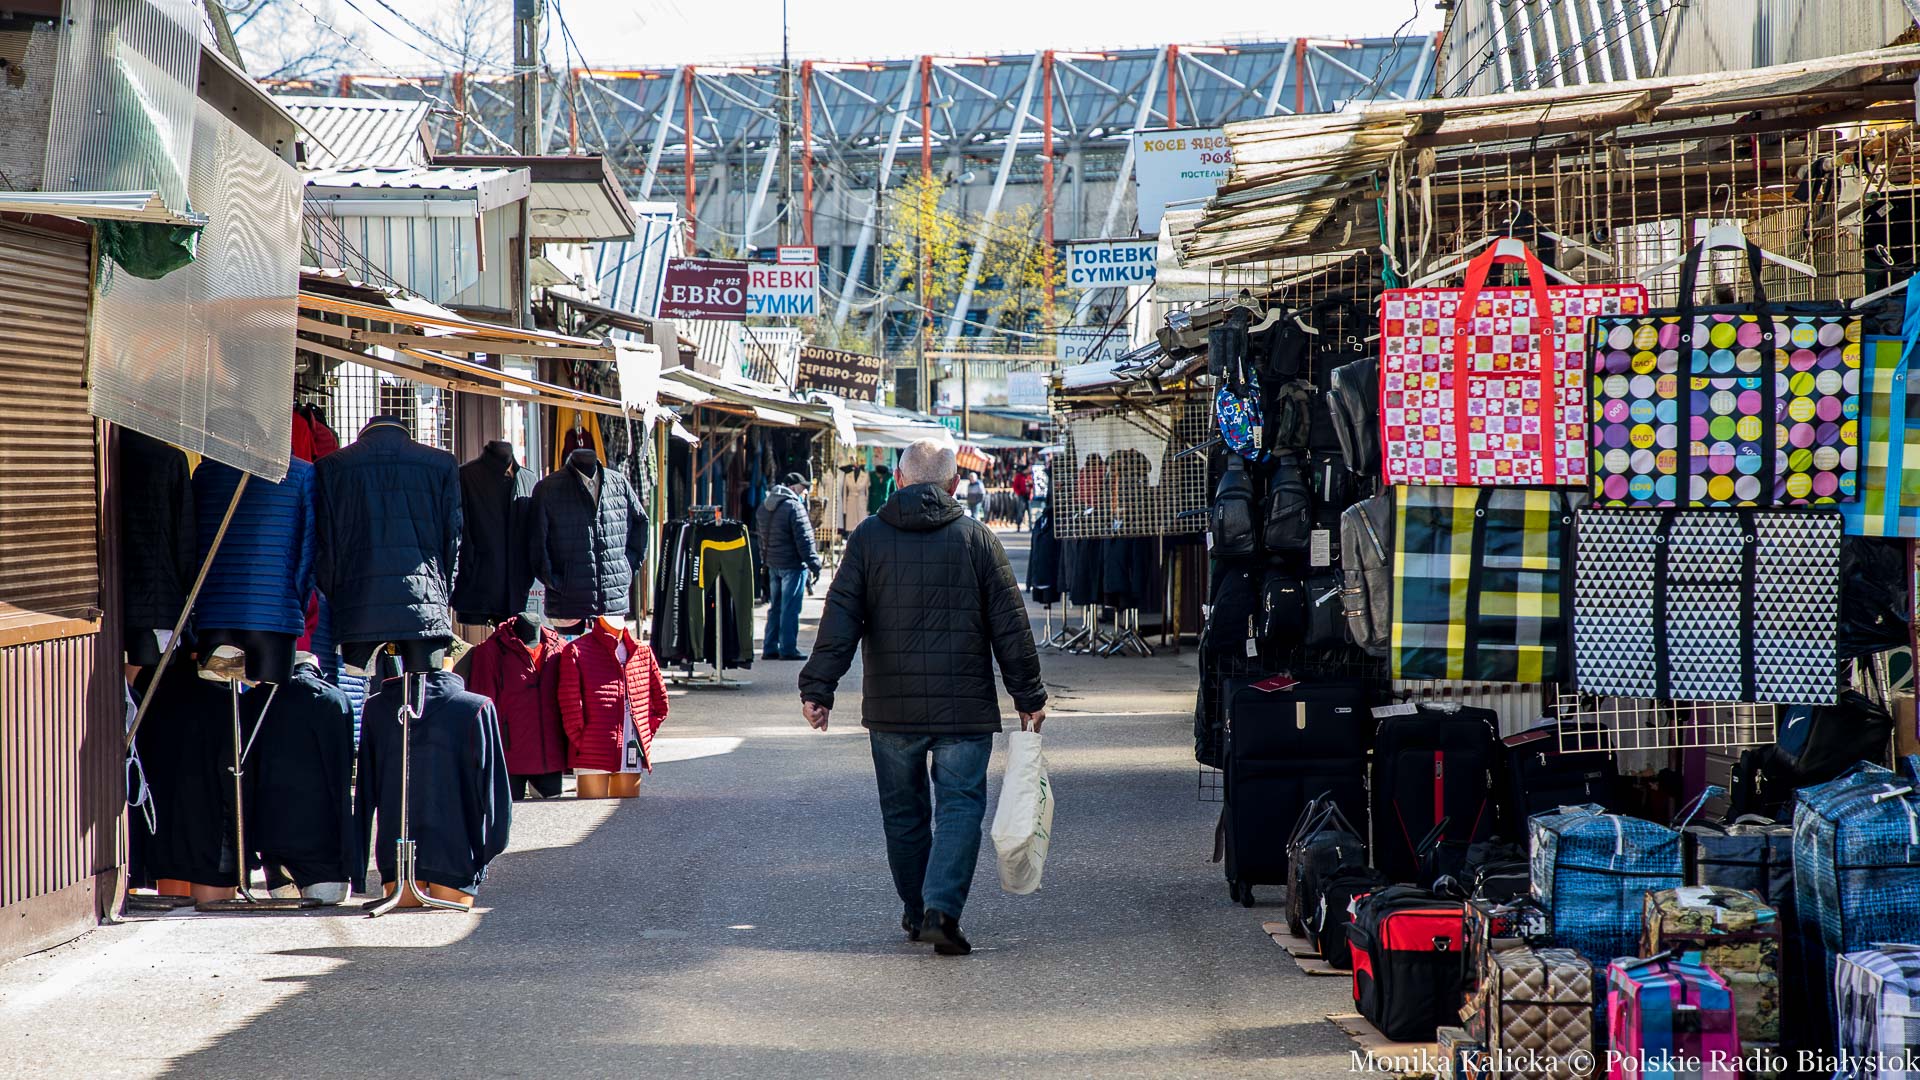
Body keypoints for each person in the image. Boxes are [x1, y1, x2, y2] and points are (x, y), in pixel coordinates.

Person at [799, 439, 1047, 956]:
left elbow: (840, 617)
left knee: (903, 815)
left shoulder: (868, 538)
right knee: (960, 807)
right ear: (955, 484)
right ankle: (941, 911)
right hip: (965, 710)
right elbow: (1010, 624)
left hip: (892, 710)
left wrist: (819, 688)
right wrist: (1028, 694)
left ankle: (916, 912)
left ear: (899, 479)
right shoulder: (977, 539)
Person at [755, 472, 821, 661]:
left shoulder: (765, 506)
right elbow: (804, 539)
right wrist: (814, 564)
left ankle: (770, 647)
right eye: (802, 487)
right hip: (793, 565)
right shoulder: (794, 506)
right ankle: (788, 648)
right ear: (792, 487)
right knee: (790, 608)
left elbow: (761, 539)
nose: (805, 491)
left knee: (775, 607)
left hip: (773, 563)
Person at [1009, 465, 1033, 532]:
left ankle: (1030, 526)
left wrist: (1031, 484)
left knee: (1030, 512)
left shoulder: (1029, 476)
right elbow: (1015, 486)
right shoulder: (1019, 477)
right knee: (1020, 512)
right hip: (1022, 496)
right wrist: (1019, 493)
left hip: (1028, 496)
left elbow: (1033, 485)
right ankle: (1018, 526)